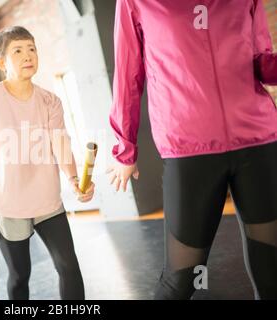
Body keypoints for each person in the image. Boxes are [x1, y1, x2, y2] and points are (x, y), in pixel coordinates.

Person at [108, 0, 277, 299]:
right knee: (181, 280)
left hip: (259, 140)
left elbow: (261, 61)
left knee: (273, 268)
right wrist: (125, 146)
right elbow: (127, 74)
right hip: (189, 150)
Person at [0, 26, 95, 300]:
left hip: (47, 199)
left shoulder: (51, 101)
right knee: (20, 275)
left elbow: (61, 144)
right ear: (2, 63)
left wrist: (74, 179)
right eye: (18, 50)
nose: (28, 55)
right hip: (6, 203)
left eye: (32, 49)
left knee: (69, 266)